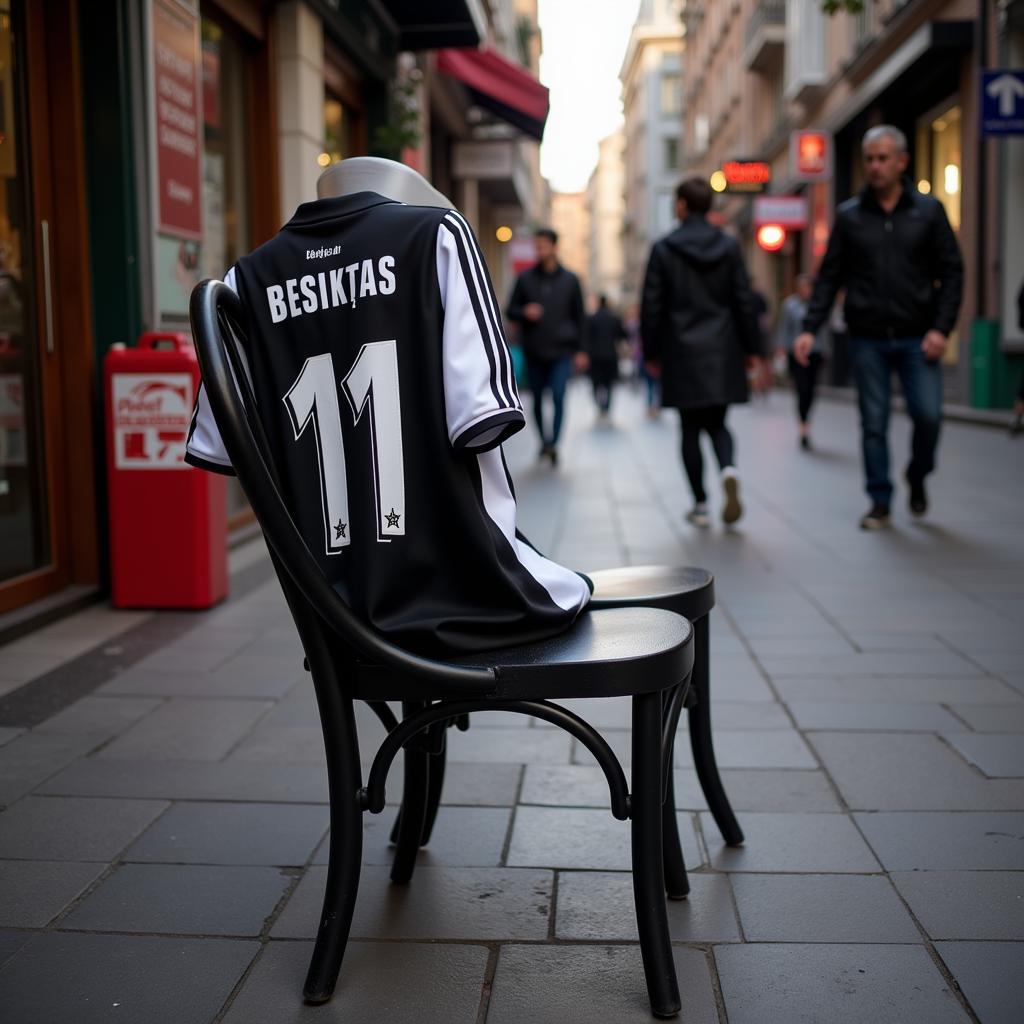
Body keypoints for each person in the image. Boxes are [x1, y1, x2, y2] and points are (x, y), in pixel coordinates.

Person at [794, 124, 963, 530]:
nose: (875, 166)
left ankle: (917, 476)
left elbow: (952, 272)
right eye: (869, 158)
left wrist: (942, 328)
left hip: (918, 336)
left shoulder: (928, 210)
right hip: (867, 336)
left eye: (883, 158)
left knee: (929, 416)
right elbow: (829, 277)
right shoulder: (850, 216)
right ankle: (880, 500)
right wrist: (810, 327)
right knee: (874, 421)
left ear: (901, 161)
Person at [641, 176, 761, 527]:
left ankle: (701, 504)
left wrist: (650, 352)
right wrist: (752, 348)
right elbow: (743, 298)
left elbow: (652, 305)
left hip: (681, 351)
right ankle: (728, 468)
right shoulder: (728, 246)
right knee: (719, 423)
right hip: (723, 348)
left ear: (681, 205)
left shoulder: (664, 249)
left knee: (689, 427)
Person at [506, 228, 588, 466]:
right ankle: (544, 440)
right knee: (538, 400)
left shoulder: (571, 280)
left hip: (562, 351)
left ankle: (554, 444)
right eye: (536, 246)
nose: (538, 250)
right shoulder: (525, 279)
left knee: (560, 395)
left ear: (554, 247)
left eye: (542, 245)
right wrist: (524, 312)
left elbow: (580, 317)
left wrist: (582, 350)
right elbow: (510, 309)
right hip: (534, 350)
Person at [775, 273, 827, 449]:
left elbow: (824, 329)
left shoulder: (817, 306)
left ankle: (806, 423)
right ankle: (803, 426)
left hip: (815, 351)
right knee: (802, 389)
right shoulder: (789, 305)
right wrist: (781, 348)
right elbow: (784, 328)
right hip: (795, 353)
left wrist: (826, 349)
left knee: (811, 390)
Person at [585, 294, 626, 419]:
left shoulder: (592, 318)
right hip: (610, 355)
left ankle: (599, 406)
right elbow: (622, 335)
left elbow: (586, 337)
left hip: (595, 356)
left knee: (595, 383)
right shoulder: (614, 318)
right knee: (609, 384)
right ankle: (606, 407)